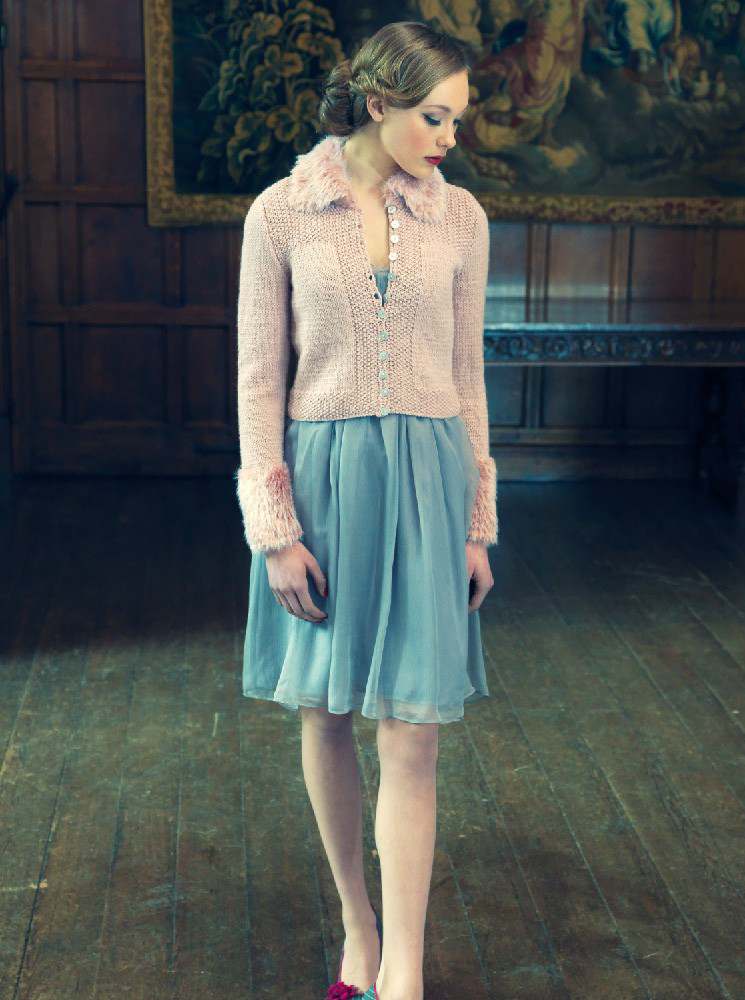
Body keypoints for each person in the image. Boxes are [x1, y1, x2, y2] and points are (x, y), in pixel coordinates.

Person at [234, 20, 499, 1000]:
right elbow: (258, 383)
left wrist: (477, 523)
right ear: (378, 104)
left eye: (457, 119)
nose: (450, 138)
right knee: (329, 713)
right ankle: (358, 923)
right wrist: (276, 533)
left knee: (414, 733)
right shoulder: (280, 214)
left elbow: (468, 378)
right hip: (325, 483)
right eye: (435, 116)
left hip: (430, 483)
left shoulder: (461, 219)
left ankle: (405, 971)